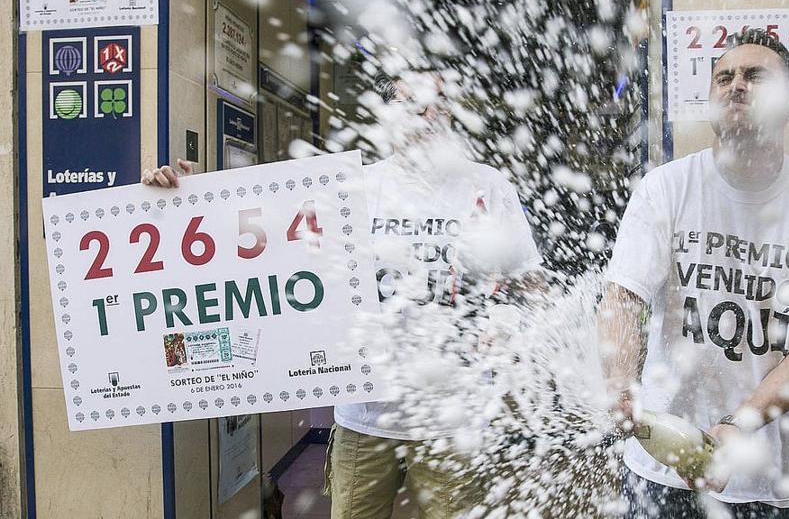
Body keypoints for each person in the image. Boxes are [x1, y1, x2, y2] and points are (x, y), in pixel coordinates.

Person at [143, 68, 543, 519]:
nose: (429, 116)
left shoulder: (486, 186)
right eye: (414, 105)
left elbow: (530, 284)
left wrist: (510, 327)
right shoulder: (352, 186)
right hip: (364, 414)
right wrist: (184, 202)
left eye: (440, 106)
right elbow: (256, 247)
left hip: (453, 418)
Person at [598, 29, 789, 518]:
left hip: (777, 476)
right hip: (664, 463)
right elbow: (625, 298)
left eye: (755, 76)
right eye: (723, 76)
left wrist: (737, 425)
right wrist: (622, 385)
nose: (736, 85)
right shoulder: (665, 188)